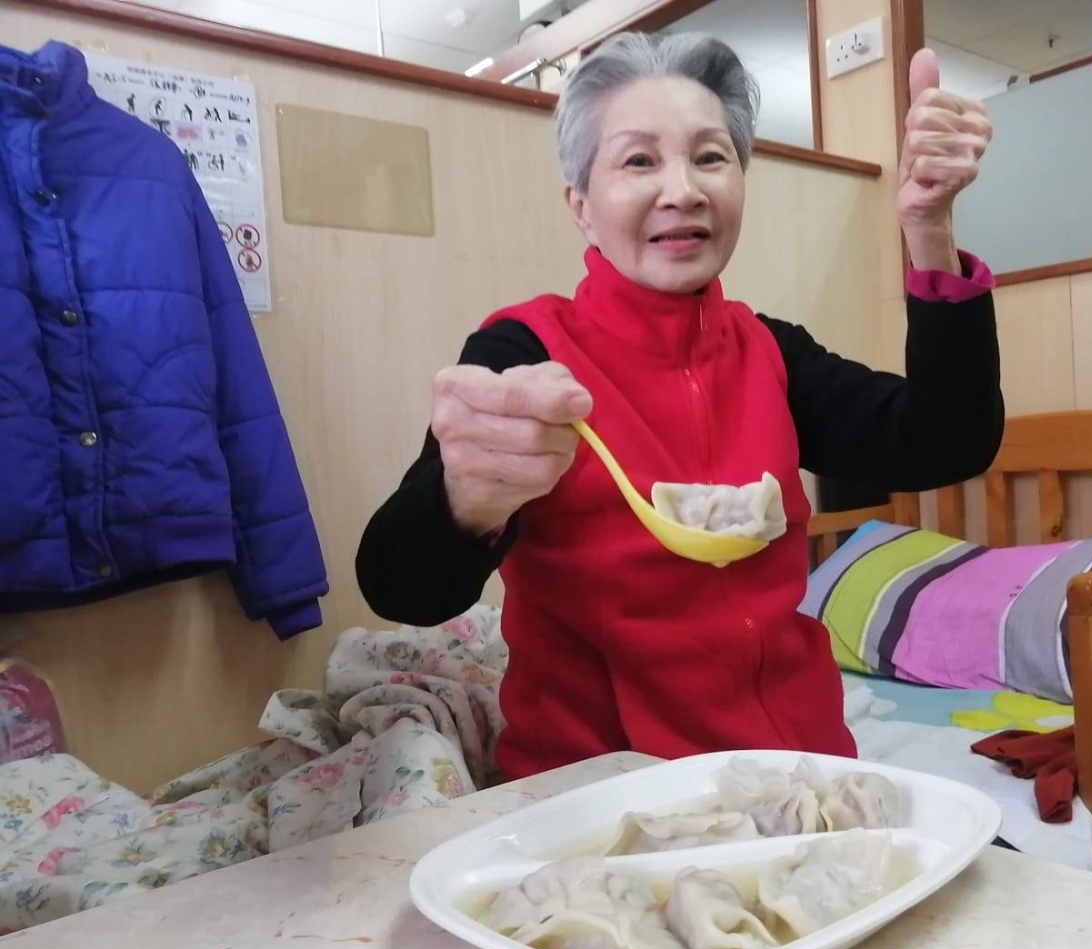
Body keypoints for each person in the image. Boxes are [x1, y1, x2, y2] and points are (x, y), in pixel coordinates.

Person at [357, 32, 1001, 781]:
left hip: (801, 776)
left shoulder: (772, 352)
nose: (684, 190)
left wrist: (929, 228)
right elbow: (401, 587)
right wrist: (466, 498)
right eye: (639, 161)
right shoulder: (524, 356)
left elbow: (946, 438)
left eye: (710, 157)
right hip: (601, 793)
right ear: (581, 207)